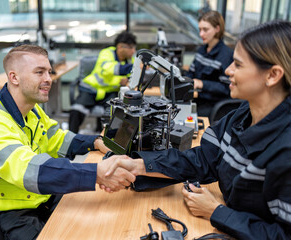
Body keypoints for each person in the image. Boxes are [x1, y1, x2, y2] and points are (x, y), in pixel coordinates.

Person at [105, 21, 291, 239]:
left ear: (272, 75)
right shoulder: (242, 115)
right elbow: (202, 160)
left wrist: (216, 212)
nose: (228, 70)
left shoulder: (286, 150)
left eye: (238, 65)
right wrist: (138, 165)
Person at [0, 45, 136, 240]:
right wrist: (96, 173)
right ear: (14, 77)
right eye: (39, 72)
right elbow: (29, 171)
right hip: (4, 210)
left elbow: (58, 140)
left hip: (35, 196)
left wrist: (95, 141)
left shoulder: (32, 110)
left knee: (96, 216)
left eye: (49, 72)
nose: (48, 79)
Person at [69, 31, 136, 133]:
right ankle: (71, 140)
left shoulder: (130, 60)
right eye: (131, 48)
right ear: (120, 47)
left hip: (109, 93)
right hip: (91, 89)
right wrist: (122, 77)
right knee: (76, 110)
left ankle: (107, 140)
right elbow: (107, 70)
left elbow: (131, 76)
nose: (133, 51)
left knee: (115, 114)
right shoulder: (106, 53)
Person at [186, 10, 233, 117]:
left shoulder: (226, 55)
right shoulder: (202, 50)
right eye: (200, 30)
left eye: (205, 30)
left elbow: (226, 88)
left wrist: (201, 83)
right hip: (197, 100)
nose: (201, 34)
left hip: (212, 106)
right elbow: (190, 74)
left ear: (217, 29)